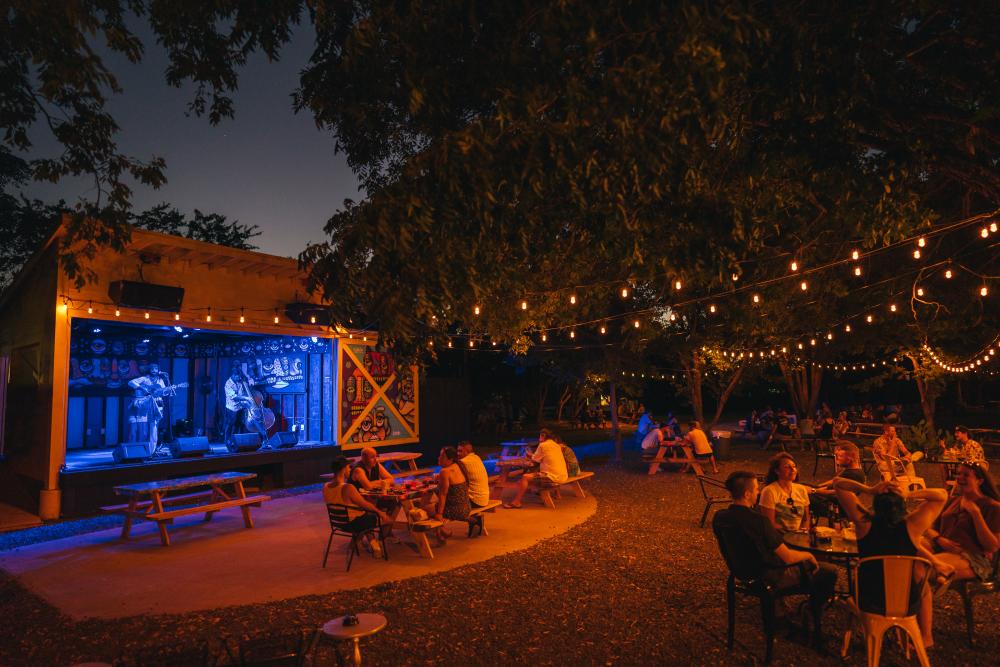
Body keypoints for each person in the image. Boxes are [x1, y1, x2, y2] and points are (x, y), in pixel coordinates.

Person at [713, 471, 837, 653]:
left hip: (741, 572)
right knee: (829, 571)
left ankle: (779, 615)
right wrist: (809, 556)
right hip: (769, 576)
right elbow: (787, 557)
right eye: (756, 489)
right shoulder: (759, 521)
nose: (758, 492)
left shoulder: (720, 517)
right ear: (747, 494)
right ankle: (811, 616)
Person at [834, 478, 948, 647]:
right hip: (907, 602)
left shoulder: (863, 523)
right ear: (903, 506)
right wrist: (909, 493)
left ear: (876, 504)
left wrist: (869, 489)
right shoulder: (914, 525)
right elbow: (942, 495)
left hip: (868, 599)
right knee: (922, 585)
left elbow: (838, 484)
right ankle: (925, 635)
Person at [921, 461, 1000, 586]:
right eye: (958, 474)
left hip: (971, 556)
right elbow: (929, 528)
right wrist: (940, 539)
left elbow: (992, 547)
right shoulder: (952, 500)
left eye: (966, 475)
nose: (960, 478)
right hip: (940, 547)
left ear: (979, 481)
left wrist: (976, 514)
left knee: (921, 571)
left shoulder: (992, 507)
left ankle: (913, 602)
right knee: (905, 553)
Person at [323, 456, 392, 554]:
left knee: (366, 516)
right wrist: (381, 513)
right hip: (352, 524)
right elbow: (365, 504)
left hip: (337, 523)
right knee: (372, 515)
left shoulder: (325, 486)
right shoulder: (348, 487)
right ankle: (375, 545)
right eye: (348, 467)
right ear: (343, 469)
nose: (350, 470)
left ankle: (368, 544)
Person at [504, 428, 569, 509]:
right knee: (530, 475)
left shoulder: (543, 445)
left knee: (525, 477)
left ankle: (516, 502)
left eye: (540, 435)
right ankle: (527, 489)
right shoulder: (556, 445)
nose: (539, 438)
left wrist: (529, 454)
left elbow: (535, 459)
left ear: (543, 436)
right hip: (563, 475)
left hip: (552, 477)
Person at [759, 453, 811, 532]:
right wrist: (791, 535)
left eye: (794, 466)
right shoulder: (769, 491)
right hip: (779, 537)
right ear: (777, 471)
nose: (793, 469)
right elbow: (769, 524)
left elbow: (806, 519)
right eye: (787, 467)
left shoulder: (801, 489)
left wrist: (802, 533)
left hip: (799, 536)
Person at [427, 446, 471, 539]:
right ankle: (440, 531)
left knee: (425, 507)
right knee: (433, 505)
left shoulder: (445, 471)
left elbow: (443, 494)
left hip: (456, 510)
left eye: (442, 456)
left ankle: (440, 530)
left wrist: (439, 513)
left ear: (450, 459)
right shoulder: (459, 465)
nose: (438, 458)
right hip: (466, 507)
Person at [127, 362, 168, 455]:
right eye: (152, 369)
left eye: (156, 369)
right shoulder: (145, 379)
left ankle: (151, 451)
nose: (154, 370)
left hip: (157, 405)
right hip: (146, 406)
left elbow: (164, 392)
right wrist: (142, 387)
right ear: (149, 370)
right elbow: (130, 382)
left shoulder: (160, 380)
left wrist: (166, 390)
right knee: (144, 430)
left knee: (154, 429)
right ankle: (140, 450)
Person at [222, 365, 264, 444]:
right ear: (233, 375)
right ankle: (226, 440)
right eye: (238, 377)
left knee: (238, 424)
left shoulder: (240, 382)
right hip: (232, 408)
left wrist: (248, 393)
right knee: (230, 424)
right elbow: (234, 397)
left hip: (240, 407)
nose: (239, 378)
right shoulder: (228, 384)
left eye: (239, 377)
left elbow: (242, 393)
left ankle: (237, 441)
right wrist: (246, 398)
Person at [456, 440, 491, 508]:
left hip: (475, 501)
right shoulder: (477, 457)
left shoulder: (463, 462)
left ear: (467, 451)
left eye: (460, 451)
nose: (458, 453)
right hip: (484, 499)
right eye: (457, 451)